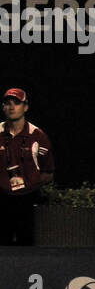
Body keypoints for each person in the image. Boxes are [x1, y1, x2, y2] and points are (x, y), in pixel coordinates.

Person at [0, 88, 55, 245]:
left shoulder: (38, 136)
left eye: (17, 103)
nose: (11, 107)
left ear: (26, 107)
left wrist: (30, 187)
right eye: (7, 103)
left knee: (27, 251)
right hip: (1, 201)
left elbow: (48, 172)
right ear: (3, 107)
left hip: (27, 201)